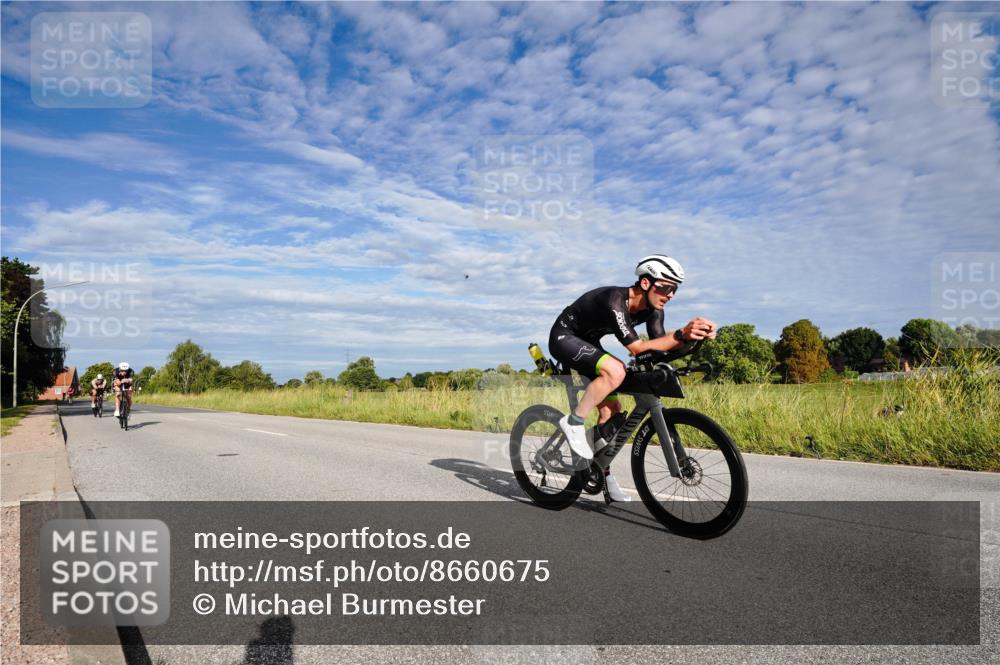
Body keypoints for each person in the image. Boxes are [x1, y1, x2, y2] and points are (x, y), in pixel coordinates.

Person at [548, 255, 717, 501]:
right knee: (616, 370)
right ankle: (573, 422)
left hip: (588, 343)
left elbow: (658, 348)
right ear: (646, 283)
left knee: (612, 414)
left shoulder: (654, 311)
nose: (670, 294)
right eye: (666, 287)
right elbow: (637, 348)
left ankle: (601, 473)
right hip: (564, 337)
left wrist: (691, 340)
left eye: (675, 289)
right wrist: (681, 333)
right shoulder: (615, 301)